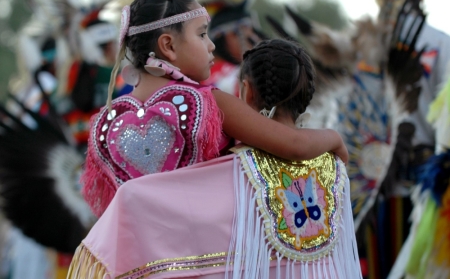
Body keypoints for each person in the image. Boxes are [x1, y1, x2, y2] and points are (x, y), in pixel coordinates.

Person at [67, 38, 361, 279]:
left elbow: (141, 202)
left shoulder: (229, 172)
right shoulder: (335, 171)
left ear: (247, 91)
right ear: (307, 95)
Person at [81, 0, 349, 218]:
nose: (211, 46)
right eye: (202, 35)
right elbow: (294, 145)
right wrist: (334, 139)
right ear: (168, 46)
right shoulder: (207, 103)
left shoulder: (106, 122)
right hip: (207, 262)